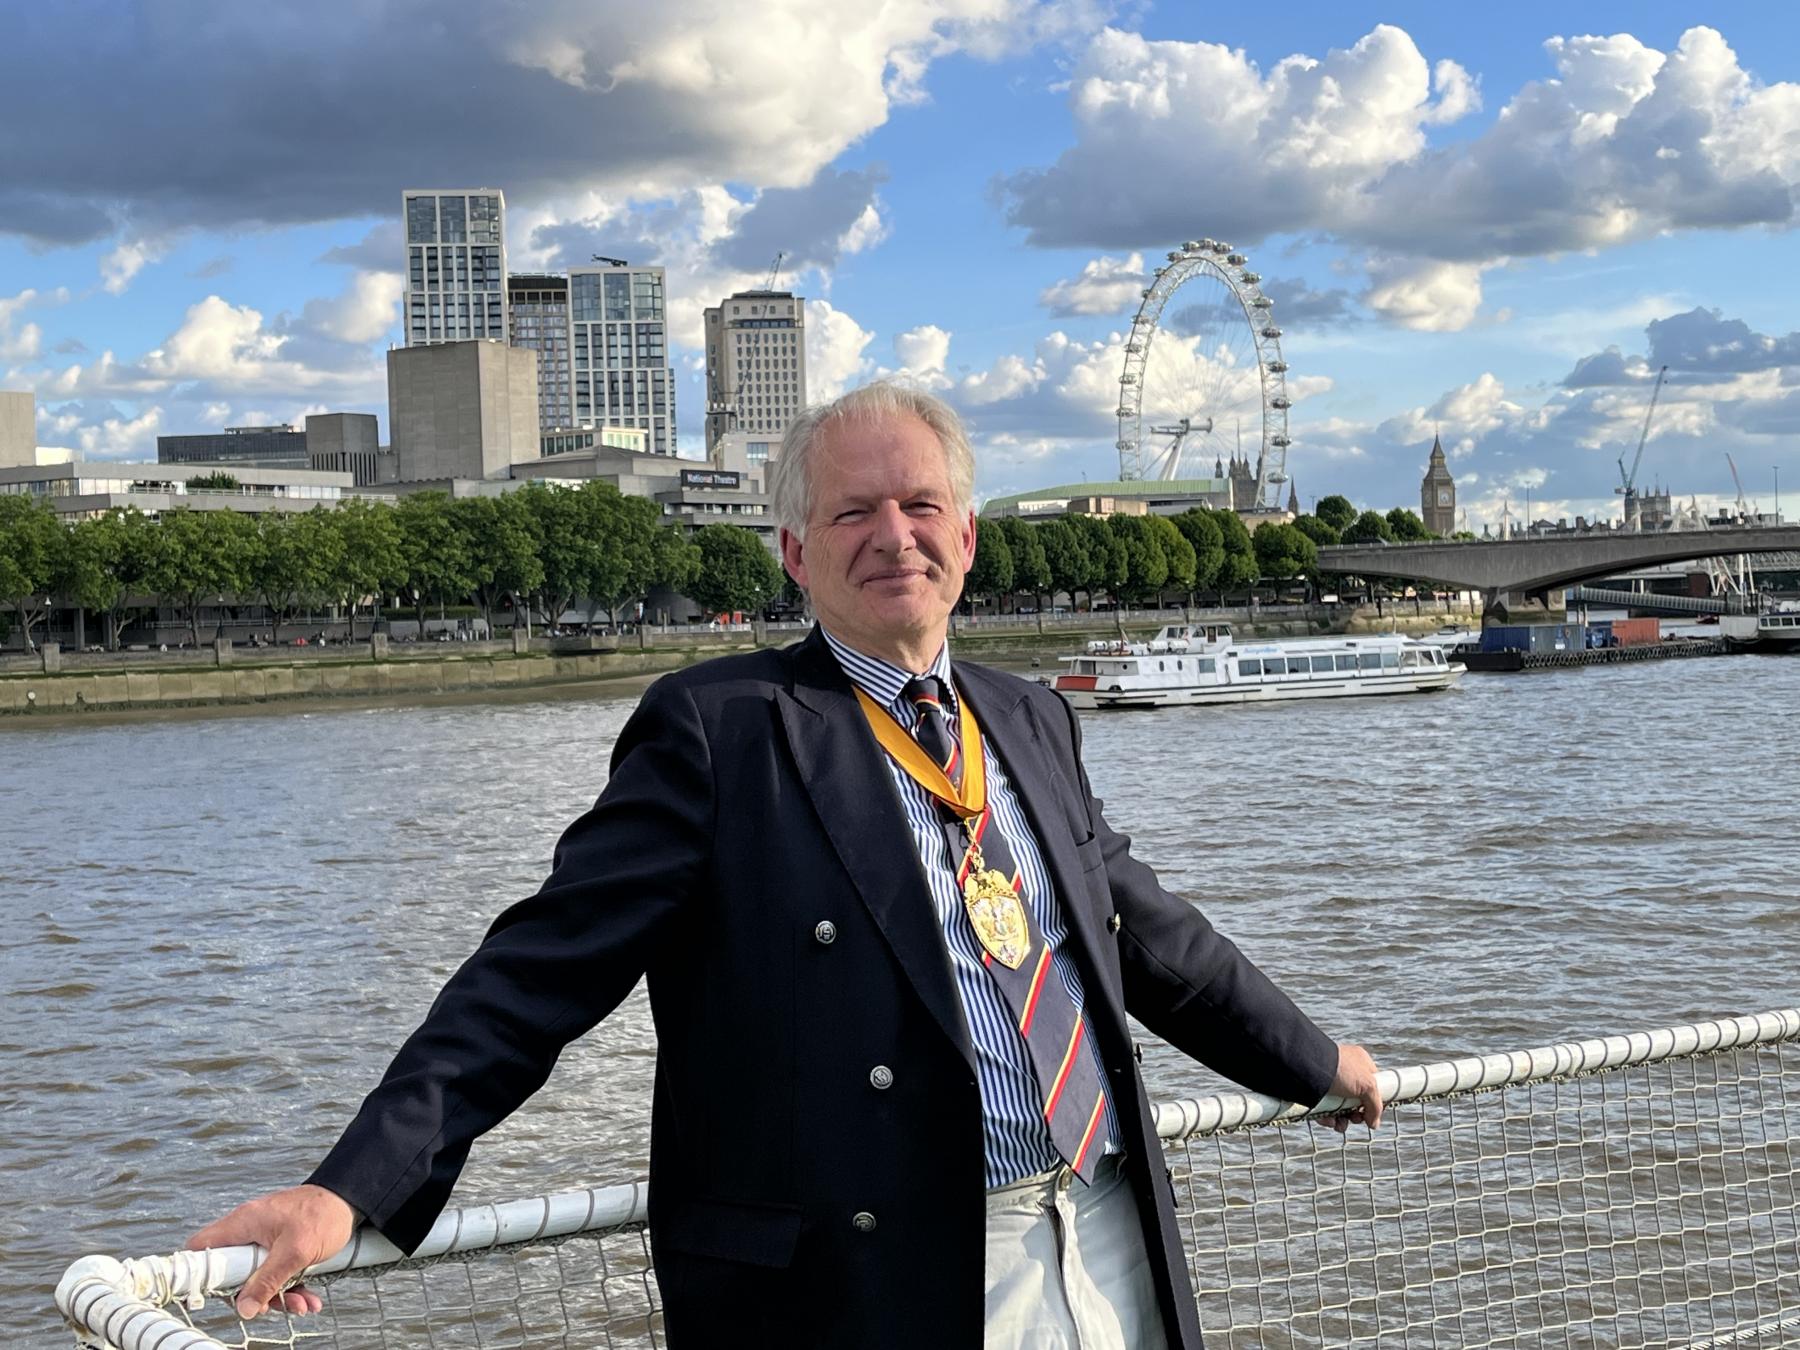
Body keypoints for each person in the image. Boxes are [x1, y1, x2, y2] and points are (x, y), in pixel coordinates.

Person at [189, 382, 1382, 1348]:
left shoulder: (1027, 717)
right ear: (795, 551)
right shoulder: (720, 729)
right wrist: (349, 1188)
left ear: (966, 539)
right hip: (882, 1274)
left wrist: (1313, 1060)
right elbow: (533, 977)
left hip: (1106, 1227)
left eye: (920, 505)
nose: (894, 536)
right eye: (854, 513)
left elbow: (1144, 934)